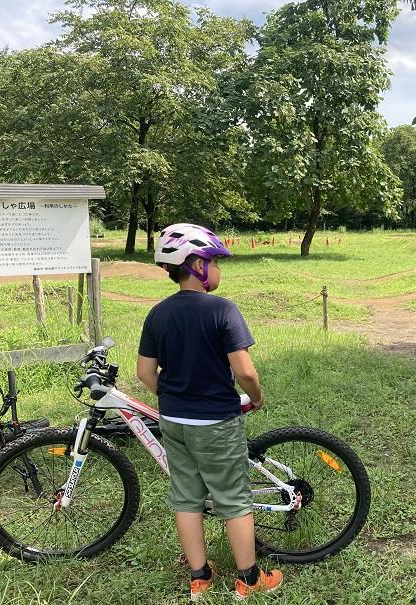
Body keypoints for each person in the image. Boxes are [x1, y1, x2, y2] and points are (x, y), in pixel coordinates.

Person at [136, 223, 283, 601]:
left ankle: (199, 577)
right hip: (216, 422)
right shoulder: (223, 310)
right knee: (233, 498)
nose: (218, 269)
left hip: (174, 422)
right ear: (198, 265)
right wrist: (257, 397)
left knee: (186, 497)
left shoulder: (157, 314)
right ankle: (248, 580)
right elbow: (245, 371)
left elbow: (144, 373)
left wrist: (171, 397)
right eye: (216, 261)